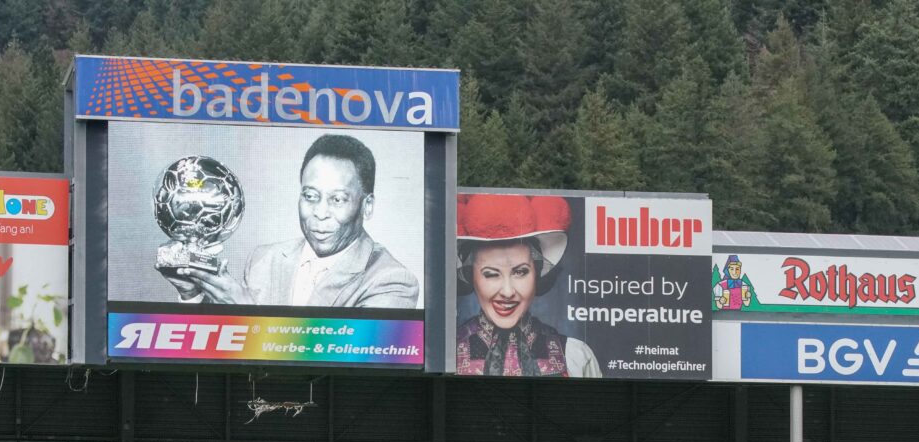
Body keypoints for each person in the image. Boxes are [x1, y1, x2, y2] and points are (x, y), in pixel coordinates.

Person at [168, 134, 417, 309]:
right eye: (310, 196)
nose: (320, 212)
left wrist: (246, 312)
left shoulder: (392, 281)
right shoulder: (263, 260)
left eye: (338, 200)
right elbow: (223, 346)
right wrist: (192, 293)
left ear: (367, 205)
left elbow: (346, 358)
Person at [454, 193, 597, 378]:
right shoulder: (445, 353)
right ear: (470, 275)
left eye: (520, 272)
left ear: (536, 273)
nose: (507, 292)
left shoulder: (575, 356)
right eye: (490, 274)